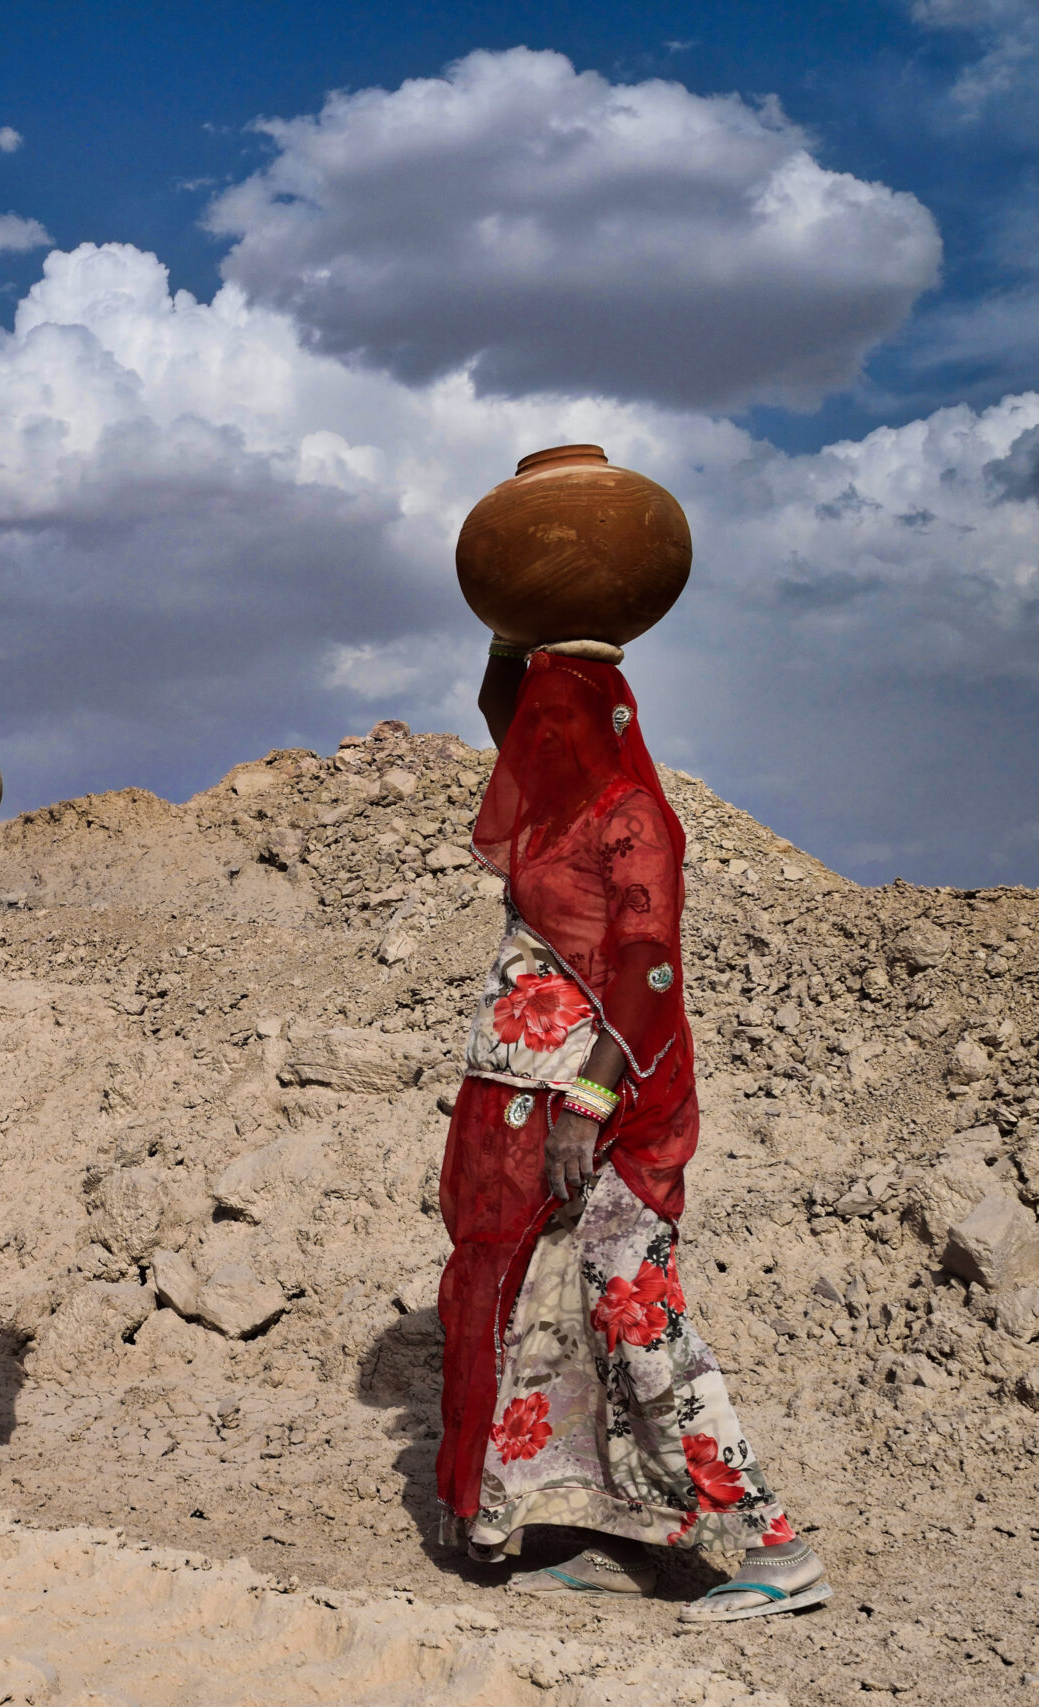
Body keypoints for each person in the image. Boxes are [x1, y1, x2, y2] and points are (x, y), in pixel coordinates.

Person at [434, 638, 830, 1623]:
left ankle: (768, 1544)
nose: (539, 732)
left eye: (559, 717)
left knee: (629, 1304)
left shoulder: (628, 820)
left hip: (617, 1111)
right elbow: (500, 703)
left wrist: (587, 1106)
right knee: (558, 1316)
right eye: (536, 719)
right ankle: (619, 1535)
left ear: (605, 724)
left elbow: (648, 975)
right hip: (536, 1109)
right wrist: (511, 624)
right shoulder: (549, 810)